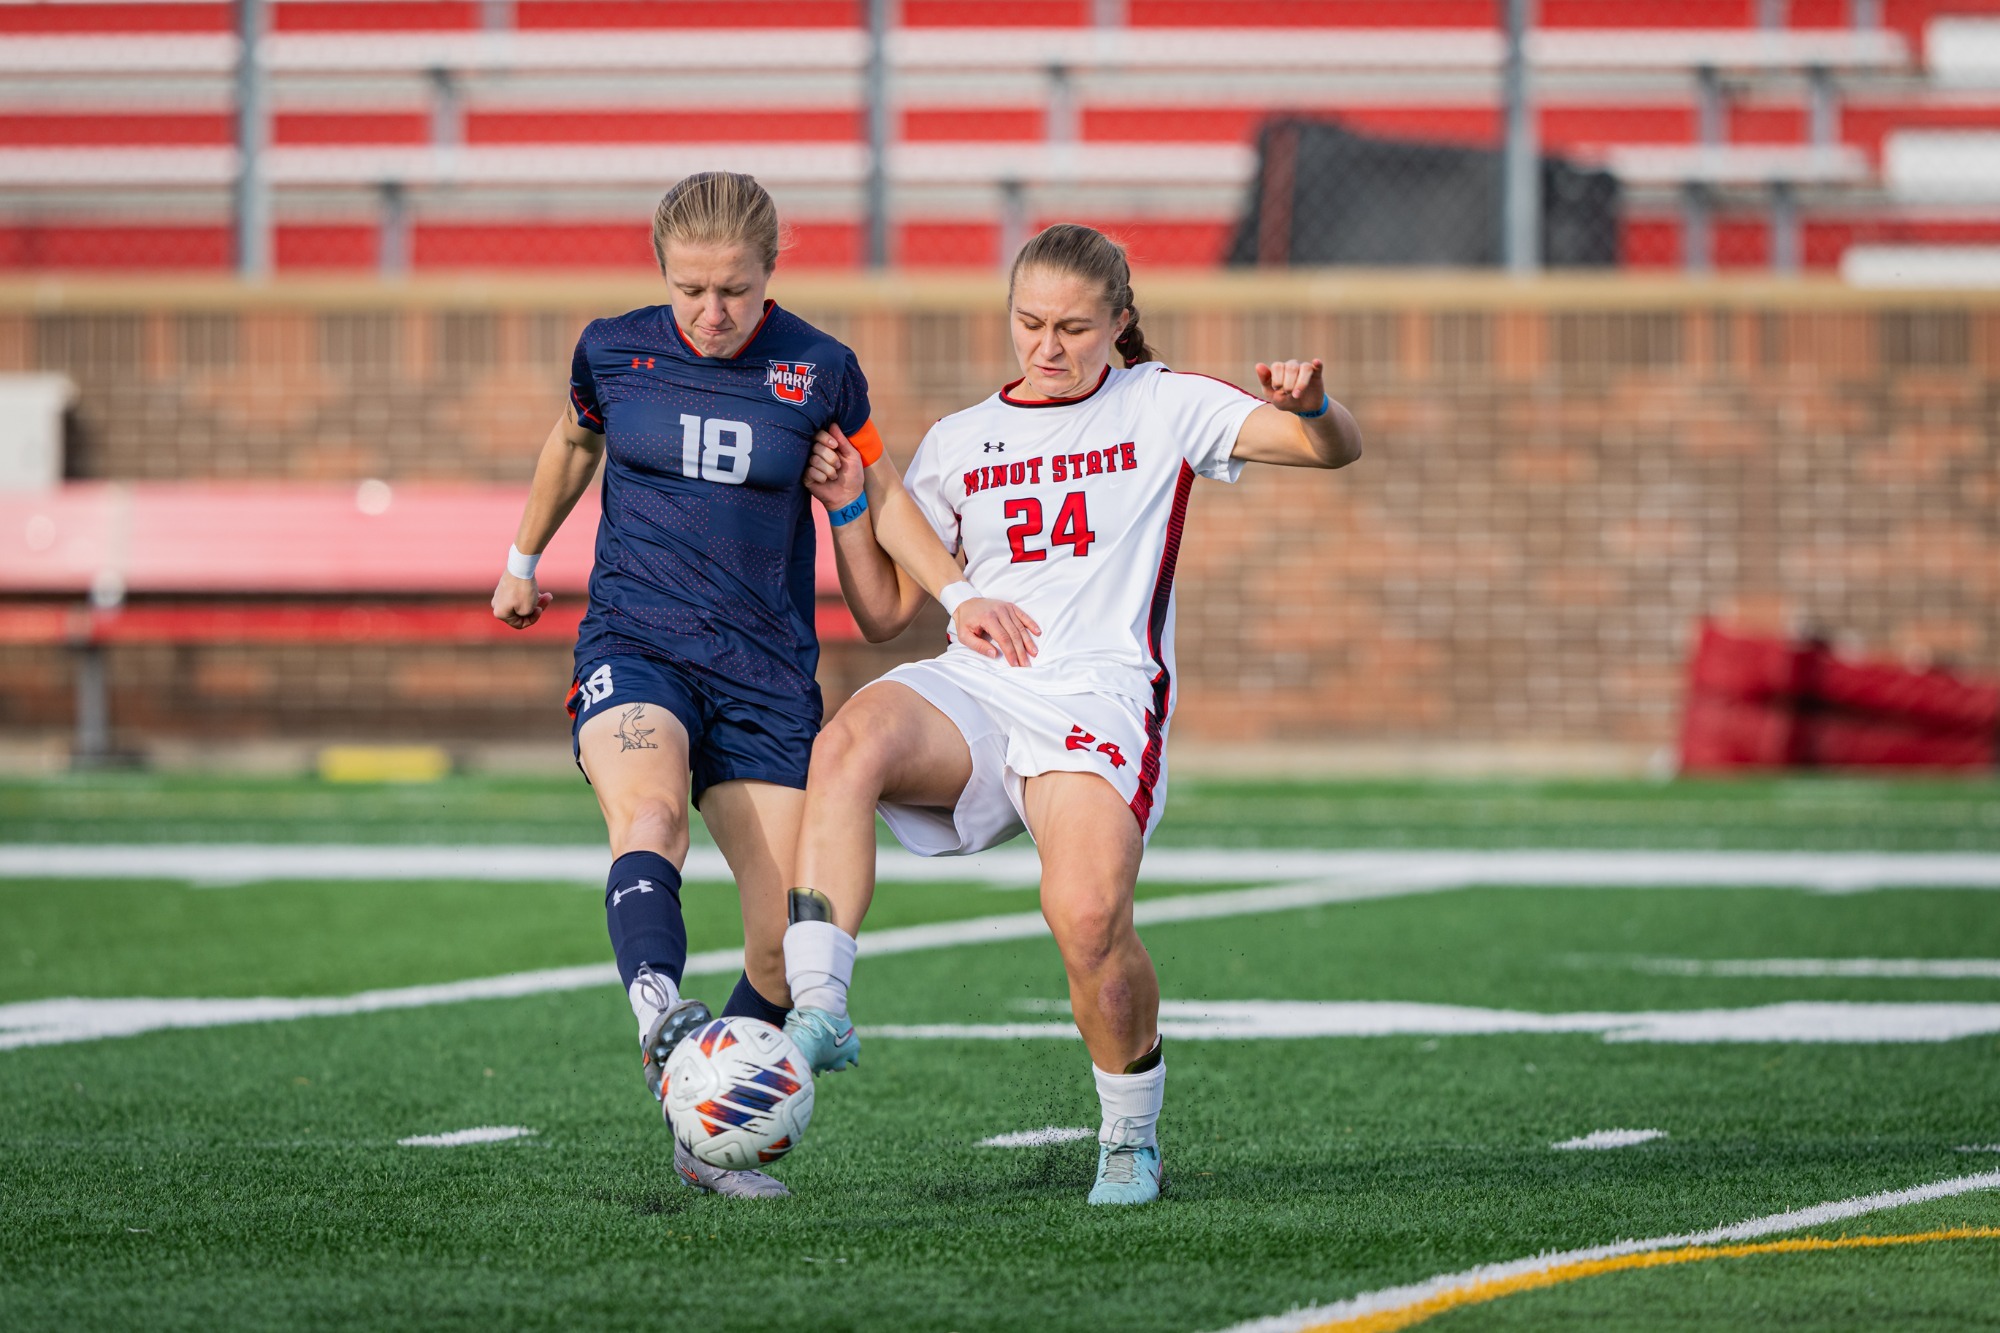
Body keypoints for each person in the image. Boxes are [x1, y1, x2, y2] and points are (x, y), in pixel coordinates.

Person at [773, 223, 1363, 1206]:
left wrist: (1315, 406)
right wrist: (844, 509)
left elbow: (1329, 450)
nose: (1047, 347)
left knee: (1085, 915)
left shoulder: (1162, 403)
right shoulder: (961, 440)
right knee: (846, 743)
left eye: (1074, 328)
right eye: (1029, 323)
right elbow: (882, 615)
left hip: (1098, 692)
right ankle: (822, 1005)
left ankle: (1128, 1134)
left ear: (1118, 323)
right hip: (979, 685)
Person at [490, 172, 1038, 1199]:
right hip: (638, 642)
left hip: (765, 677)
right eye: (691, 290)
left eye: (734, 291)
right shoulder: (611, 350)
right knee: (650, 814)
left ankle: (703, 1139)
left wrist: (956, 590)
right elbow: (574, 441)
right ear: (661, 274)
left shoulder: (823, 371)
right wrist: (524, 558)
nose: (712, 313)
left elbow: (876, 505)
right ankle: (659, 1010)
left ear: (770, 271)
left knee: (786, 947)